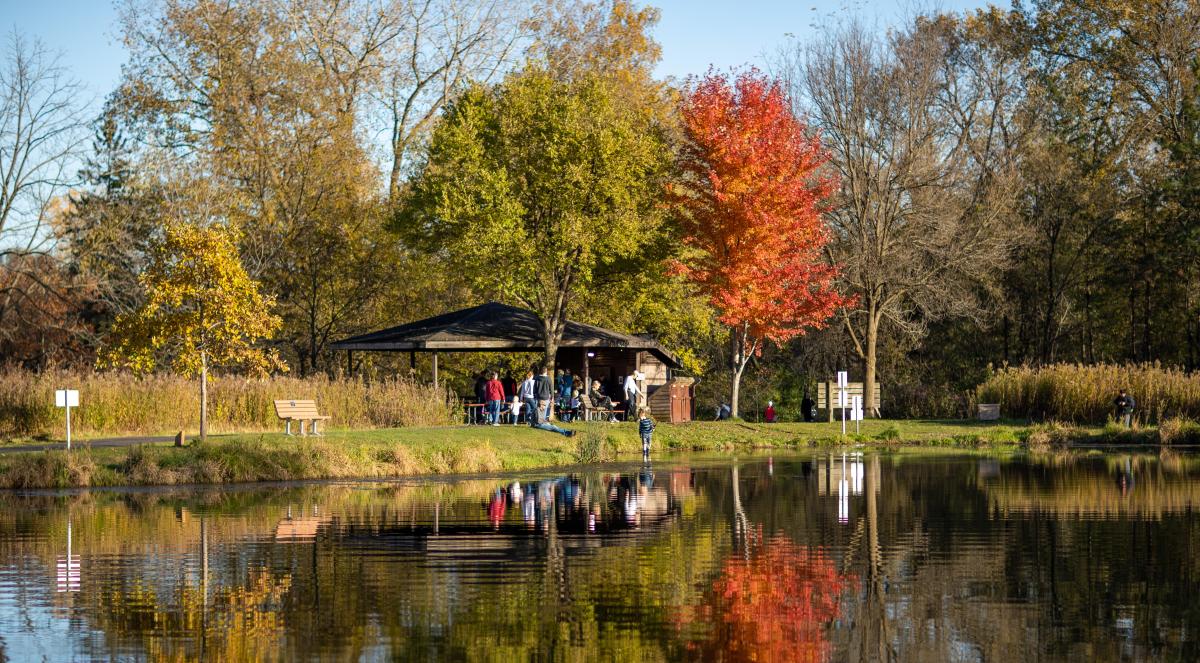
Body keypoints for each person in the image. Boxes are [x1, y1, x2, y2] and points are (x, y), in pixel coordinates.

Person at [531, 367, 575, 437]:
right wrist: (552, 397)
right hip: (544, 401)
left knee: (547, 422)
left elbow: (534, 390)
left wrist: (535, 397)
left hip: (538, 399)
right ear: (546, 371)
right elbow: (551, 388)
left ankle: (566, 432)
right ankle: (566, 432)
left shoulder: (536, 378)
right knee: (552, 426)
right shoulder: (548, 379)